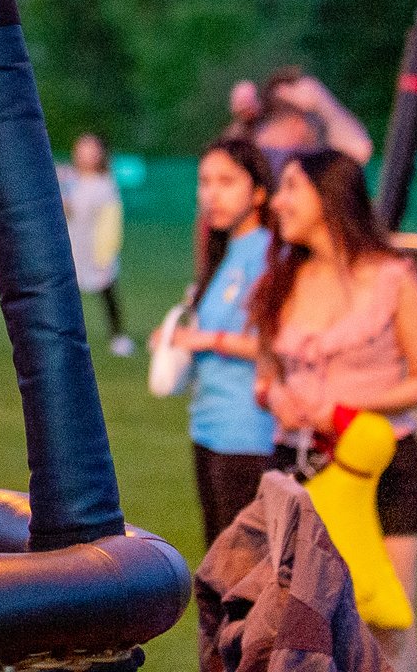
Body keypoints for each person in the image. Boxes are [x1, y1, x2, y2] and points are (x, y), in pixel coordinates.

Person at [253, 150, 417, 672]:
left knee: (388, 620)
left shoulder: (393, 278)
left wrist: (341, 409)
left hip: (381, 464)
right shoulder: (283, 280)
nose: (277, 202)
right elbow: (265, 377)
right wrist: (278, 397)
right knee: (302, 621)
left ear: (329, 194)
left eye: (291, 187)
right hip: (297, 467)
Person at [156, 136, 276, 545]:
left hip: (249, 432)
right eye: (205, 181)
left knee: (242, 571)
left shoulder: (268, 254)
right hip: (208, 425)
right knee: (218, 565)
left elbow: (277, 344)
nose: (212, 194)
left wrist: (204, 339)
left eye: (227, 181)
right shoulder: (226, 252)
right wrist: (178, 339)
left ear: (259, 192)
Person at [59, 133, 132, 355]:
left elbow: (111, 221)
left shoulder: (105, 185)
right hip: (74, 247)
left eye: (92, 150)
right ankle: (65, 339)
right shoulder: (72, 181)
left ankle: (118, 337)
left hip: (97, 249)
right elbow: (67, 211)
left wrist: (107, 251)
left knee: (107, 293)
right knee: (68, 296)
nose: (87, 154)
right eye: (83, 149)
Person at [249, 68, 373, 168]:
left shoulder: (309, 162)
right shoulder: (268, 156)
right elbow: (361, 150)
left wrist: (320, 101)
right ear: (295, 123)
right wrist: (320, 101)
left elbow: (360, 151)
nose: (308, 127)